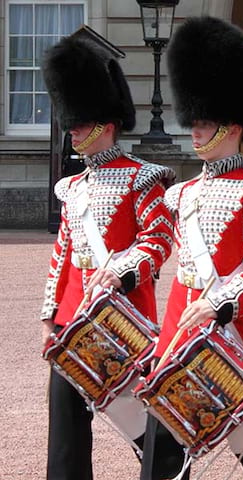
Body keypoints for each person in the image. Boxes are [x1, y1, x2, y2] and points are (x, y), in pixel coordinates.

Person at [138, 16, 243, 480]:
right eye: (195, 121)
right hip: (180, 329)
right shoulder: (179, 194)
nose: (195, 130)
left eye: (204, 122)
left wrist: (219, 303)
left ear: (231, 125)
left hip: (234, 335)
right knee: (164, 440)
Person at [40, 36, 175, 480]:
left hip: (122, 321)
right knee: (66, 432)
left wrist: (119, 272)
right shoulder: (74, 187)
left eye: (79, 123)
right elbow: (63, 255)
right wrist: (50, 317)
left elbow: (157, 241)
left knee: (139, 426)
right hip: (72, 321)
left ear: (106, 123)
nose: (72, 130)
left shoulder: (143, 178)